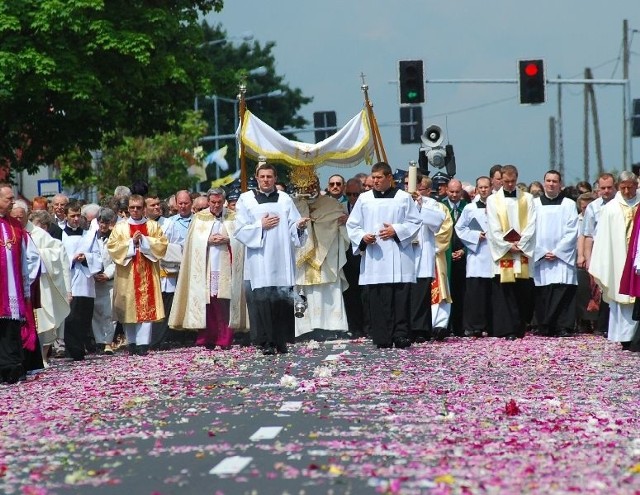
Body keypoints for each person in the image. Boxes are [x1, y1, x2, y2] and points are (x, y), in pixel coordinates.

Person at [234, 161, 309, 355]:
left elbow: (293, 225)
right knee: (263, 302)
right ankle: (266, 342)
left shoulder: (284, 199)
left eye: (270, 177)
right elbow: (240, 230)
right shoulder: (246, 199)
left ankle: (281, 341)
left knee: (281, 301)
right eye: (262, 176)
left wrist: (299, 227)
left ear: (275, 179)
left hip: (282, 258)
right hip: (259, 259)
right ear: (257, 178)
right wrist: (260, 225)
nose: (266, 180)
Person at [346, 162, 422, 349]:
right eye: (374, 177)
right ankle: (381, 336)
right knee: (377, 298)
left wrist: (396, 230)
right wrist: (363, 237)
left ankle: (401, 334)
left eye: (380, 177)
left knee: (400, 297)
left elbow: (415, 221)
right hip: (375, 257)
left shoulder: (404, 198)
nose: (376, 181)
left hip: (399, 255)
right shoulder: (364, 199)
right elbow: (353, 225)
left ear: (389, 178)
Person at [169, 188, 235, 349]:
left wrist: (227, 238)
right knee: (208, 304)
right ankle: (208, 337)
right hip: (206, 266)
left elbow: (240, 239)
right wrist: (207, 240)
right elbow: (192, 243)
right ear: (208, 201)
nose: (216, 205)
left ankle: (225, 339)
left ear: (223, 201)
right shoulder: (199, 218)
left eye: (219, 202)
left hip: (226, 265)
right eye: (213, 202)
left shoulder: (233, 216)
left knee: (225, 303)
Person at [107, 194, 168, 356]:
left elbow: (162, 245)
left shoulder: (153, 226)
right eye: (132, 207)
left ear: (144, 208)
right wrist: (131, 243)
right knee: (129, 308)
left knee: (146, 308)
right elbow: (112, 248)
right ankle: (131, 342)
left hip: (147, 272)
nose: (135, 210)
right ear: (127, 209)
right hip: (128, 274)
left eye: (138, 207)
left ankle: (143, 344)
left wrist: (146, 241)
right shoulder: (120, 228)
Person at [292, 174, 350, 340]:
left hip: (327, 257)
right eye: (305, 186)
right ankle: (305, 329)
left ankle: (332, 327)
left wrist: (338, 224)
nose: (309, 189)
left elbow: (340, 226)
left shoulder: (331, 204)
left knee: (328, 290)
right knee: (305, 291)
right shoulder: (293, 206)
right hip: (302, 256)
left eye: (312, 185)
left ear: (318, 185)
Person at [486, 165, 536, 340]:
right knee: (504, 292)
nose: (508, 185)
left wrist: (520, 243)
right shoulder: (493, 200)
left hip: (521, 251)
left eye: (512, 181)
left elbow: (531, 224)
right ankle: (506, 329)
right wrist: (507, 245)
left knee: (521, 291)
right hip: (504, 253)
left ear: (517, 178)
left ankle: (519, 328)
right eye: (505, 181)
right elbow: (493, 227)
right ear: (500, 179)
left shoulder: (527, 199)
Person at [591, 171, 640, 350]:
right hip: (619, 261)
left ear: (636, 185)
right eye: (623, 187)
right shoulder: (611, 208)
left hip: (638, 260)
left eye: (630, 187)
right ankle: (625, 337)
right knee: (622, 298)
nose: (627, 191)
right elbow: (603, 238)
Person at [532, 170, 579, 337]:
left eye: (555, 181)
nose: (551, 184)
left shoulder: (568, 204)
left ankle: (563, 326)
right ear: (544, 182)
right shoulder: (534, 204)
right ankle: (544, 325)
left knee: (563, 290)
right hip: (541, 256)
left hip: (561, 258)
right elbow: (530, 231)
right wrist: (542, 251)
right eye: (548, 180)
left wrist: (558, 252)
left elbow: (572, 231)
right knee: (543, 292)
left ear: (560, 184)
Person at [0, 184, 39, 383]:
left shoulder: (15, 227)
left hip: (12, 288)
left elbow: (25, 259)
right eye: (8, 199)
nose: (12, 202)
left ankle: (13, 367)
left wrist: (25, 287)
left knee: (12, 329)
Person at [150, 190, 193, 349]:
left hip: (168, 270)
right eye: (152, 205)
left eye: (157, 204)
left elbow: (177, 245)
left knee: (169, 304)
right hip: (149, 270)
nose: (156, 208)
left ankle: (165, 338)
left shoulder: (168, 223)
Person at [61, 202, 103, 360]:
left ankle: (80, 347)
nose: (76, 219)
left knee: (84, 317)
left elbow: (98, 257)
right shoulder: (60, 235)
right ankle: (73, 350)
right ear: (66, 216)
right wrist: (71, 259)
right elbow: (57, 259)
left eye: (78, 215)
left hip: (86, 283)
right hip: (70, 282)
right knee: (70, 318)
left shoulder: (88, 235)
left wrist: (86, 257)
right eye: (72, 216)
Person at [29, 209, 71, 366]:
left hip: (43, 285)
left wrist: (35, 254)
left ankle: (44, 357)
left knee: (45, 321)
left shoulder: (44, 237)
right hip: (27, 286)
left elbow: (59, 260)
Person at [455, 176, 494, 337]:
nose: (484, 190)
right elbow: (460, 228)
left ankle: (492, 325)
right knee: (475, 294)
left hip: (493, 254)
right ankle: (475, 326)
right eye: (481, 187)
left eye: (486, 187)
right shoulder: (470, 208)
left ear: (491, 188)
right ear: (477, 189)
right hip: (477, 255)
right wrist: (476, 235)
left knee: (492, 293)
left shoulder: (497, 207)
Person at [410, 175, 446, 342]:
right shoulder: (401, 200)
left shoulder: (430, 203)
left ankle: (421, 329)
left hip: (423, 254)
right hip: (407, 254)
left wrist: (420, 204)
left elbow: (437, 222)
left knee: (421, 295)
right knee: (407, 295)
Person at [581, 172, 616, 335]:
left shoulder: (620, 204)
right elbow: (587, 235)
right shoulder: (593, 207)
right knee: (600, 289)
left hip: (617, 250)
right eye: (603, 188)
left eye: (609, 187)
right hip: (599, 250)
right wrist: (588, 259)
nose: (607, 191)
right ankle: (601, 326)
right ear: (598, 189)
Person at [441, 178, 468, 336]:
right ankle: (446, 325)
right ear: (446, 190)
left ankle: (460, 326)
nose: (454, 195)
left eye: (457, 192)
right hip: (445, 254)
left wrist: (464, 250)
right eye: (451, 192)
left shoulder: (467, 208)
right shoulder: (441, 207)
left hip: (463, 255)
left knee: (461, 292)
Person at [342, 178, 367, 337]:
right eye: (349, 194)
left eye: (355, 194)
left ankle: (366, 325)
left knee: (364, 293)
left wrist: (349, 221)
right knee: (350, 293)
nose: (352, 198)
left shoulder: (366, 207)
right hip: (347, 254)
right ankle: (354, 325)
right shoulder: (341, 208)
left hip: (363, 254)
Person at [92, 208, 118, 355]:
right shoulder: (91, 237)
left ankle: (108, 342)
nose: (103, 225)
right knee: (96, 312)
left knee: (109, 312)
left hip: (109, 281)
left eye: (106, 222)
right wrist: (95, 273)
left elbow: (117, 260)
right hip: (94, 280)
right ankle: (99, 341)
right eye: (101, 222)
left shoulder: (114, 238)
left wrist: (107, 275)